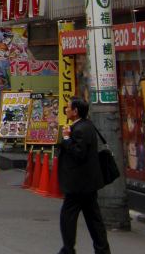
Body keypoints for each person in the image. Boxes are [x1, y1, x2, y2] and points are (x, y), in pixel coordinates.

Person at [57, 97, 111, 254]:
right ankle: (102, 249)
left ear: (75, 111)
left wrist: (66, 138)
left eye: (68, 108)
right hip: (87, 183)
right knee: (94, 218)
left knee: (68, 216)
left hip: (78, 183)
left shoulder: (80, 129)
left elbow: (78, 153)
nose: (65, 110)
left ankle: (68, 249)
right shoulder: (87, 125)